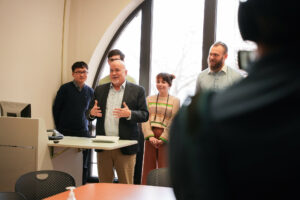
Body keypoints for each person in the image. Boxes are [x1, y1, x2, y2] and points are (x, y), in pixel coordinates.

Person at [169, 0, 300, 199]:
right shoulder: (201, 80)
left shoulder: (196, 121)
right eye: (210, 54)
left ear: (248, 23)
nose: (211, 58)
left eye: (215, 55)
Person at [87, 59, 149, 184]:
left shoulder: (138, 91)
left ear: (125, 72)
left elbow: (145, 115)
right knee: (104, 186)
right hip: (104, 146)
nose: (114, 73)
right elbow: (88, 113)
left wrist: (130, 113)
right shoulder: (99, 90)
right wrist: (91, 113)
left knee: (125, 186)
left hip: (125, 146)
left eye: (117, 70)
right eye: (111, 70)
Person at [52, 61, 94, 185]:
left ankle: (82, 186)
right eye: (78, 72)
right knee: (65, 162)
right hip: (65, 132)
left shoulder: (90, 91)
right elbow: (56, 109)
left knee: (83, 164)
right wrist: (59, 127)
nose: (82, 75)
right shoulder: (65, 89)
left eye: (84, 72)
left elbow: (91, 113)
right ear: (73, 74)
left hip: (83, 132)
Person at [141, 73, 180, 185]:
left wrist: (163, 138)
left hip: (166, 137)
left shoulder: (175, 101)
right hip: (151, 137)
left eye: (163, 82)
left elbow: (174, 120)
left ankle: (165, 192)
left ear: (169, 84)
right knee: (148, 166)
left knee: (165, 167)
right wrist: (150, 136)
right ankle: (146, 191)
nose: (160, 84)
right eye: (158, 81)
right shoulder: (149, 99)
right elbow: (145, 119)